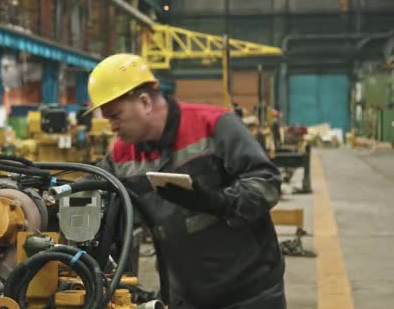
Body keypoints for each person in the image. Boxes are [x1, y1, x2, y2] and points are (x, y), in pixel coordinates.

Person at [86, 54, 286, 309]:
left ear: (145, 102)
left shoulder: (214, 126)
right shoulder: (121, 154)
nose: (111, 126)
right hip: (186, 295)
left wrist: (218, 202)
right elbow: (91, 185)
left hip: (249, 291)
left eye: (115, 115)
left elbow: (267, 183)